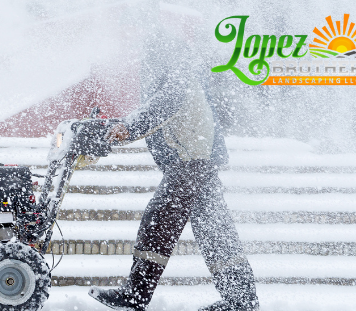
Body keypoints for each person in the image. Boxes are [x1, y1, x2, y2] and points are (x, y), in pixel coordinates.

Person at [87, 31, 260, 311]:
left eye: (149, 58)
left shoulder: (178, 78)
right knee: (214, 231)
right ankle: (241, 299)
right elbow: (154, 109)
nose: (145, 65)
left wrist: (128, 128)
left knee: (157, 223)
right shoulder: (182, 75)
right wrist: (119, 125)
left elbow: (160, 107)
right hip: (199, 163)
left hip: (190, 164)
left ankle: (134, 296)